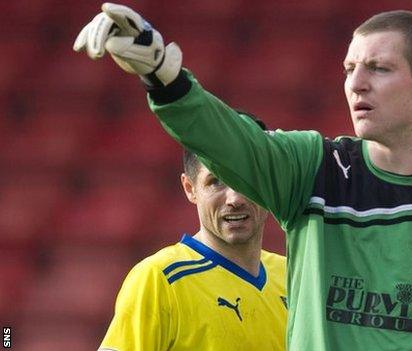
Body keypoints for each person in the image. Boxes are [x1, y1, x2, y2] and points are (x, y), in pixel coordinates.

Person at [76, 3, 412, 350]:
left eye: (378, 68)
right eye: (350, 68)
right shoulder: (312, 170)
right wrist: (164, 74)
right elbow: (230, 142)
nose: (356, 83)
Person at [97, 122, 288, 350]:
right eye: (215, 181)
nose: (235, 199)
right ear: (190, 188)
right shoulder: (160, 279)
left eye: (247, 180)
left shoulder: (292, 277)